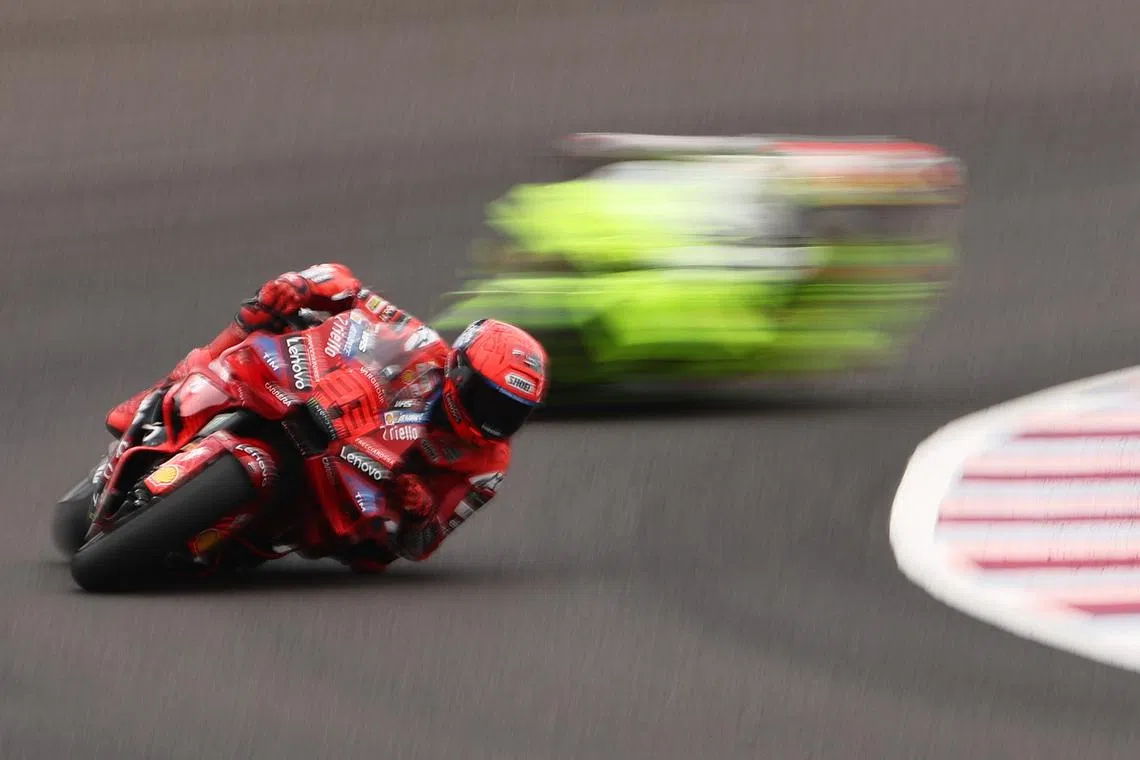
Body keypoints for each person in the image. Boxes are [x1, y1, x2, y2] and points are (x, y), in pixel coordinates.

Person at [103, 262, 549, 573]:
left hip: (350, 495)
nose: (492, 421)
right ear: (459, 367)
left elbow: (421, 545)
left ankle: (226, 531)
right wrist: (300, 286)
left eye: (510, 413)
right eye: (487, 400)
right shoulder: (421, 342)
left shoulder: (487, 467)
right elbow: (351, 291)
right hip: (315, 400)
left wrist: (418, 514)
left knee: (352, 558)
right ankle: (165, 389)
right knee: (265, 312)